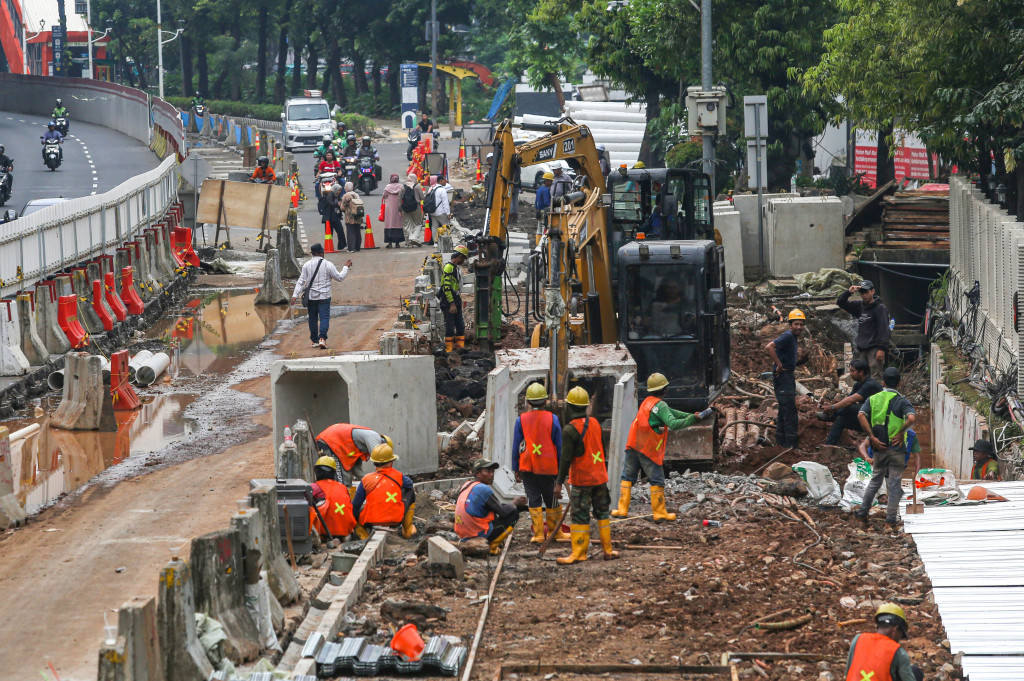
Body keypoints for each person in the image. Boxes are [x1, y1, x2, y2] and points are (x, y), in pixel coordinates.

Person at [612, 373, 713, 520]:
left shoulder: (648, 402)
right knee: (657, 479)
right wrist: (691, 419)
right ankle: (659, 513)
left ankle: (621, 510)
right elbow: (672, 423)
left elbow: (672, 413)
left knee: (628, 476)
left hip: (633, 443)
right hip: (647, 447)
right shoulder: (661, 405)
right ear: (665, 389)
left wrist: (692, 415)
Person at [554, 386, 619, 564]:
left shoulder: (569, 430)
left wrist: (559, 483)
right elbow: (601, 450)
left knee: (580, 516)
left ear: (570, 407)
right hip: (599, 477)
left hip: (583, 480)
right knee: (602, 513)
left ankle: (579, 552)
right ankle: (608, 550)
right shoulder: (596, 423)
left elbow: (566, 459)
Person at [855, 367, 915, 530]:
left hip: (878, 446)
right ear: (900, 383)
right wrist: (901, 431)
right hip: (896, 448)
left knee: (875, 480)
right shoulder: (902, 401)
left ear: (882, 383)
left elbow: (861, 415)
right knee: (894, 484)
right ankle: (890, 520)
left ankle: (862, 513)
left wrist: (871, 437)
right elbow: (911, 417)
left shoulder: (873, 399)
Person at [512, 382, 568, 544]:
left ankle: (538, 534)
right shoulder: (553, 419)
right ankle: (554, 532)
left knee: (533, 498)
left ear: (528, 402)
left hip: (528, 465)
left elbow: (517, 445)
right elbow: (559, 446)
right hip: (548, 466)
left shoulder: (520, 420)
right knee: (552, 499)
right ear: (545, 401)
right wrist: (561, 470)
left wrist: (516, 468)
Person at [454, 458, 529, 555]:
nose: (491, 475)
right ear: (477, 473)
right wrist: (515, 502)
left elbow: (495, 507)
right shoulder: (483, 489)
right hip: (477, 535)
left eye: (493, 471)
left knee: (503, 509)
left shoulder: (467, 485)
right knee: (513, 513)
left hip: (462, 534)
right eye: (488, 471)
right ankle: (492, 546)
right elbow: (503, 511)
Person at [289, 243, 352, 349]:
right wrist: (346, 267)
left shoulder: (306, 265)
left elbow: (301, 281)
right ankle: (322, 338)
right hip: (324, 296)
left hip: (311, 297)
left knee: (312, 319)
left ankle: (315, 341)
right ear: (322, 253)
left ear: (312, 253)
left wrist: (295, 295)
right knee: (324, 318)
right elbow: (339, 278)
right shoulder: (328, 264)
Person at [352, 443, 417, 539]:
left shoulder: (366, 479)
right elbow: (409, 484)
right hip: (395, 521)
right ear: (391, 462)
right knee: (410, 492)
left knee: (355, 510)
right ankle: (407, 530)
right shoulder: (398, 476)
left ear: (374, 464)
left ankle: (363, 536)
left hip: (370, 522)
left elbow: (356, 504)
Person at [844, 604, 923, 681]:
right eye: (901, 635)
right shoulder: (897, 651)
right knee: (916, 672)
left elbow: (848, 671)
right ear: (895, 629)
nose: (899, 640)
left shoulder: (858, 639)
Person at [818, 359, 882, 445]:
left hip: (876, 421)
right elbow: (847, 399)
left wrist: (832, 408)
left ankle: (830, 415)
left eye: (853, 371)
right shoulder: (858, 384)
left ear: (861, 372)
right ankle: (829, 446)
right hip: (864, 419)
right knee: (840, 420)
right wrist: (833, 406)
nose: (850, 373)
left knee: (849, 407)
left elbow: (852, 400)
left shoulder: (870, 385)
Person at [765, 309, 805, 448]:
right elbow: (769, 347)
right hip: (784, 376)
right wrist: (779, 365)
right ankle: (790, 446)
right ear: (790, 325)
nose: (799, 327)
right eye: (796, 324)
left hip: (787, 375)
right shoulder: (787, 336)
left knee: (784, 409)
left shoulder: (792, 337)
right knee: (790, 412)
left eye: (801, 324)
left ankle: (780, 442)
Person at [838, 280, 891, 380]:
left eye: (866, 292)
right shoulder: (860, 306)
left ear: (873, 291)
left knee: (876, 376)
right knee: (862, 377)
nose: (864, 295)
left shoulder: (880, 308)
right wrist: (848, 292)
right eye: (862, 293)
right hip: (863, 348)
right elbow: (841, 303)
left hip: (874, 348)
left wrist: (882, 348)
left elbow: (884, 329)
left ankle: (876, 395)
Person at [315, 424, 391, 486]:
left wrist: (368, 480)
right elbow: (379, 459)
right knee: (343, 480)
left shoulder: (360, 444)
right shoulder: (374, 437)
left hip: (336, 441)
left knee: (346, 477)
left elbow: (358, 470)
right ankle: (342, 501)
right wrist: (385, 480)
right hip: (330, 440)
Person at [308, 456, 358, 540]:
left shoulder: (314, 487)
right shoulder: (343, 487)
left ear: (317, 472)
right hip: (345, 531)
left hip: (325, 533)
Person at [440, 245, 468, 352]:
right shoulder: (449, 268)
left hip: (455, 300)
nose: (463, 261)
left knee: (460, 326)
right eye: (463, 258)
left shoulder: (455, 268)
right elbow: (446, 287)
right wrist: (451, 304)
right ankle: (449, 351)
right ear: (459, 257)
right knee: (450, 327)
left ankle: (460, 350)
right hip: (448, 302)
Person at [381, 174, 405, 248]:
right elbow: (403, 195)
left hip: (389, 208)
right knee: (398, 223)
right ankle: (397, 243)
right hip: (398, 207)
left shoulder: (388, 187)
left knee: (389, 223)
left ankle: (390, 243)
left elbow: (384, 196)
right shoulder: (401, 187)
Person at [401, 173, 425, 246]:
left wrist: (400, 208)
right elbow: (422, 197)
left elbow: (400, 197)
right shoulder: (417, 186)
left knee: (407, 225)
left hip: (405, 208)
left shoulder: (403, 187)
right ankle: (414, 238)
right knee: (418, 223)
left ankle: (408, 242)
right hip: (415, 207)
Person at [425, 175, 451, 243]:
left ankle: (435, 242)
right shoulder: (442, 190)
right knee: (445, 225)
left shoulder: (433, 189)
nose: (445, 181)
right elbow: (445, 203)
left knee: (434, 227)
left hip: (433, 212)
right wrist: (448, 213)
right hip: (441, 212)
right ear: (441, 181)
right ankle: (446, 241)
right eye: (444, 180)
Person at [340, 181, 364, 253]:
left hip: (350, 217)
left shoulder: (346, 196)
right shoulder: (356, 195)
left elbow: (342, 208)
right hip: (358, 216)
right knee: (357, 231)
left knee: (351, 232)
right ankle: (358, 247)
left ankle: (351, 248)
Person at [322, 184, 347, 250]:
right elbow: (330, 203)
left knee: (340, 230)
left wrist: (340, 214)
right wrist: (337, 204)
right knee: (329, 233)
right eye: (339, 190)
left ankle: (341, 246)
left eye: (341, 190)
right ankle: (328, 247)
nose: (340, 191)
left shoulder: (337, 196)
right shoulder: (330, 194)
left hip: (335, 216)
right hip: (329, 217)